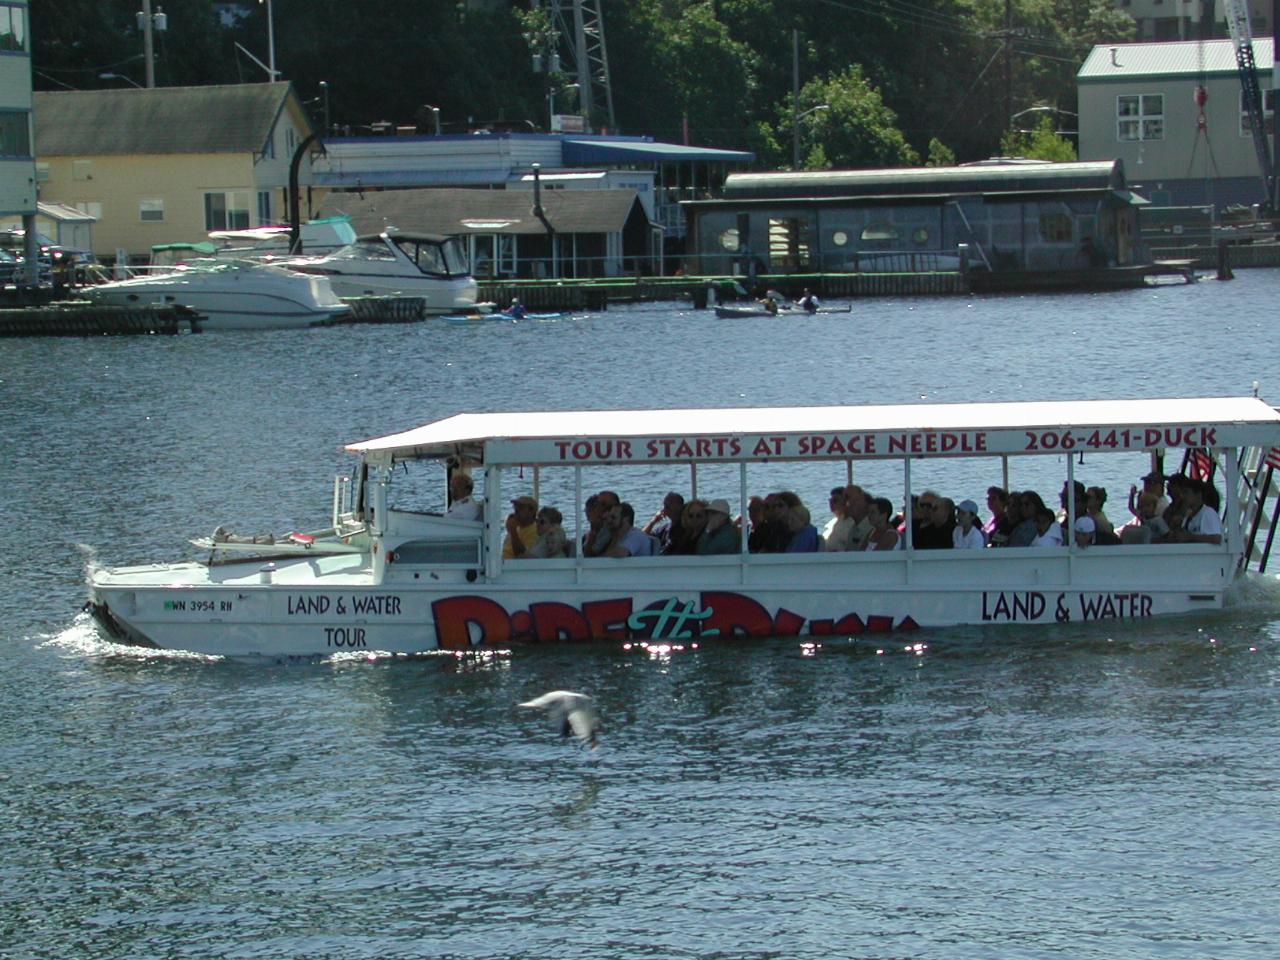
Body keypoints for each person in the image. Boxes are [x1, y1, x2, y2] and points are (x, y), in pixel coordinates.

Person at [1167, 478, 1223, 545]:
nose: (1182, 496)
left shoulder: (1208, 513)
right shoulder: (1188, 517)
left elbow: (1216, 539)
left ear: (1198, 495)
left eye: (1186, 492)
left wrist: (1190, 537)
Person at [502, 495, 540, 559]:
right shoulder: (516, 528)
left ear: (532, 512)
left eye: (520, 508)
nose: (516, 511)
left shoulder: (535, 530)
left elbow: (522, 556)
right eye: (515, 507)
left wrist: (513, 531)